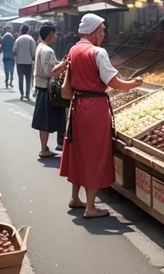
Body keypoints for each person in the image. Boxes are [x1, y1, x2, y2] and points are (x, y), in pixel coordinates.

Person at [60, 14, 142, 218]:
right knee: (94, 153)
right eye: (103, 31)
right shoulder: (98, 52)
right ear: (94, 31)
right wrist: (133, 84)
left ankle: (75, 198)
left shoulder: (74, 49)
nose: (104, 34)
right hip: (94, 108)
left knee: (78, 149)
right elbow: (114, 82)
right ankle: (90, 207)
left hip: (78, 105)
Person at [32, 22, 69, 157]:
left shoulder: (40, 47)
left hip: (41, 87)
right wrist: (64, 64)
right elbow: (50, 72)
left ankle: (44, 148)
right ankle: (49, 148)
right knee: (50, 120)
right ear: (50, 35)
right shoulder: (47, 50)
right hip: (48, 89)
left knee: (44, 121)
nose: (56, 36)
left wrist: (60, 63)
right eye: (54, 34)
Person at [14, 24, 36, 101]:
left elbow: (15, 50)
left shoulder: (18, 39)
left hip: (19, 62)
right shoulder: (31, 39)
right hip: (28, 63)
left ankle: (21, 94)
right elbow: (33, 52)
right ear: (27, 30)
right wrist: (33, 59)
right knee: (28, 79)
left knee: (20, 79)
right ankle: (27, 94)